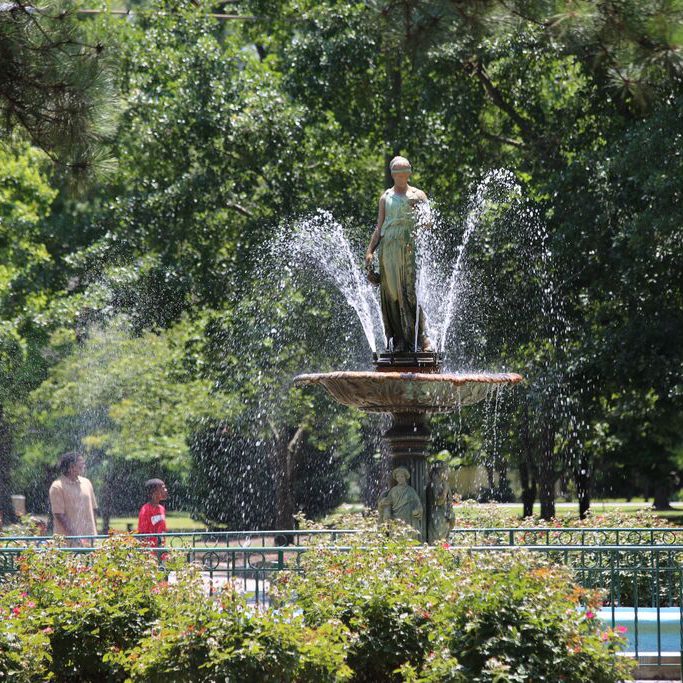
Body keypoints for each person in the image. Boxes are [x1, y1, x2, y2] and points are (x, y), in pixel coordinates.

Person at [365, 156, 433, 352]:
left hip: (408, 248)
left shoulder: (418, 195)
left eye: (405, 174)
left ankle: (421, 338)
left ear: (409, 174)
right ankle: (400, 340)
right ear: (393, 175)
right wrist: (370, 251)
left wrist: (417, 223)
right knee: (392, 295)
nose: (402, 178)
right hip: (388, 250)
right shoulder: (385, 198)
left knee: (409, 293)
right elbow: (379, 228)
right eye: (398, 175)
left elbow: (428, 223)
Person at [48, 452, 98, 543]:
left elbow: (93, 509)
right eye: (81, 464)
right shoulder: (57, 486)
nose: (84, 465)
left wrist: (94, 531)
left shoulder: (86, 483)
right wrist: (75, 536)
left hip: (90, 539)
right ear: (71, 467)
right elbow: (59, 515)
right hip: (67, 542)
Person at [378, 466, 423, 533]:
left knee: (408, 535)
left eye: (402, 476)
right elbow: (387, 501)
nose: (400, 478)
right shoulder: (393, 490)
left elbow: (418, 503)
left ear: (405, 478)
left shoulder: (410, 490)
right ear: (396, 478)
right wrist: (382, 502)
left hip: (408, 517)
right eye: (398, 477)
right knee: (397, 534)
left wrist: (418, 510)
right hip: (396, 517)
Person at [137, 478, 168, 547]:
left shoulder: (161, 509)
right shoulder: (145, 510)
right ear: (154, 492)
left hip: (161, 551)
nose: (166, 490)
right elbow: (142, 534)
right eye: (163, 488)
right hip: (150, 553)